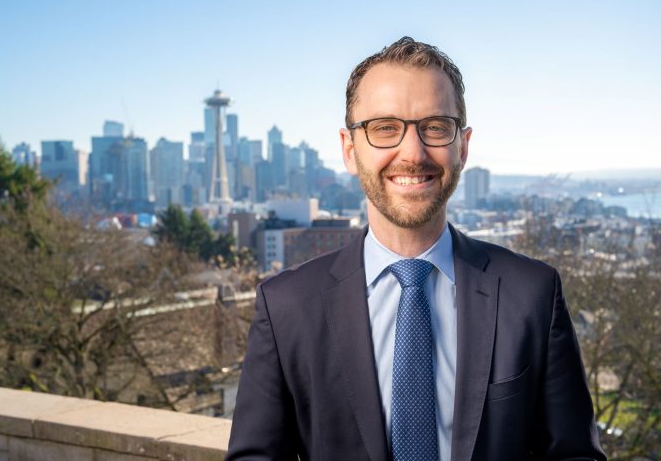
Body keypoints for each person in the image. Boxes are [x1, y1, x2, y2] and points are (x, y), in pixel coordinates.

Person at [226, 37, 606, 461]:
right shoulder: (285, 308)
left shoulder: (532, 294)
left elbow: (574, 454)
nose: (413, 152)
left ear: (462, 146)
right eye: (385, 128)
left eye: (436, 126)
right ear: (350, 150)